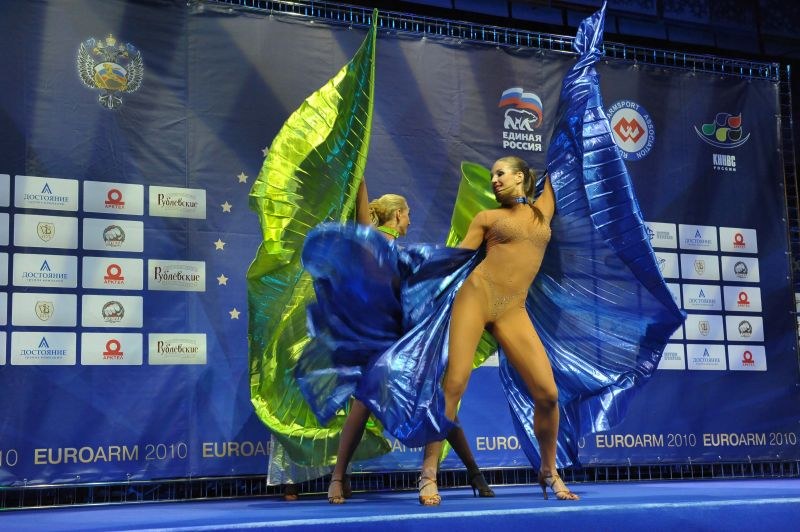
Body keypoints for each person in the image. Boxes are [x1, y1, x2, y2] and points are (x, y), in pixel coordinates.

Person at [417, 156, 577, 504]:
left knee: (548, 394)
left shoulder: (542, 210)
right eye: (492, 176)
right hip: (476, 296)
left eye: (501, 174)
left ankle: (549, 470)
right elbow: (455, 259)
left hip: (512, 309)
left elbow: (565, 156)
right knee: (455, 383)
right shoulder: (487, 218)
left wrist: (578, 106)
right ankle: (428, 475)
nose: (494, 180)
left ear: (521, 177)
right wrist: (416, 270)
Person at [325, 181, 494, 504]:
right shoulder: (372, 244)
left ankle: (469, 472)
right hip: (383, 343)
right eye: (408, 215)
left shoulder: (409, 256)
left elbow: (445, 267)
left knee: (439, 406)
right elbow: (362, 219)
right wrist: (358, 176)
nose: (410, 221)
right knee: (365, 404)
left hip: (411, 342)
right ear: (398, 215)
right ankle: (338, 478)